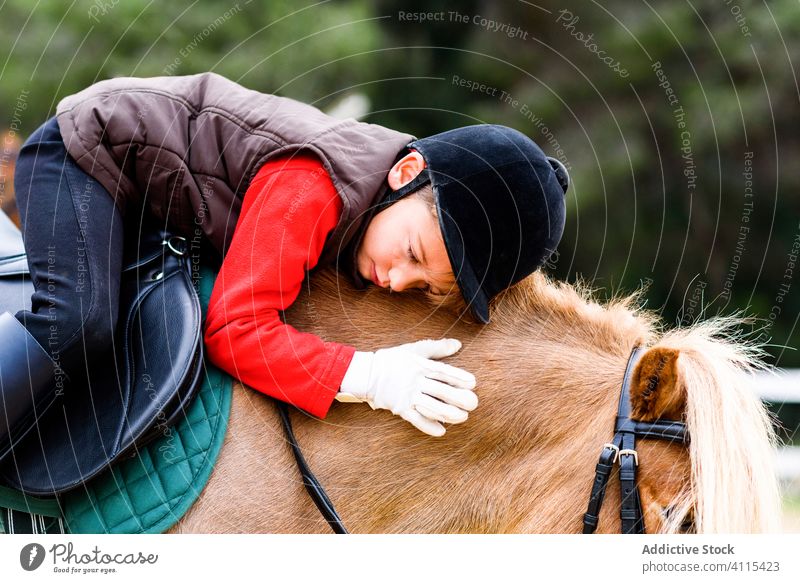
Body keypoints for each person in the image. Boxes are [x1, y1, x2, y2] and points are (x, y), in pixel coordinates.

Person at [0, 73, 568, 454]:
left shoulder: (384, 207)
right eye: (414, 253)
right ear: (405, 174)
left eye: (423, 285)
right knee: (81, 322)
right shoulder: (312, 185)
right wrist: (367, 377)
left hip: (157, 201)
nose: (397, 280)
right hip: (85, 157)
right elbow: (231, 329)